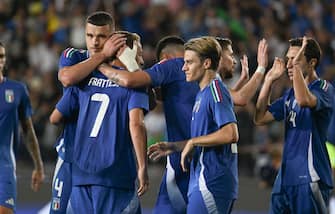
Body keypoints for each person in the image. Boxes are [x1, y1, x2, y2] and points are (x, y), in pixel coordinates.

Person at [99, 35, 268, 213]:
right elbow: (239, 98)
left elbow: (132, 81)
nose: (183, 66)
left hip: (204, 171)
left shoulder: (207, 85)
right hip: (196, 167)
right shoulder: (204, 90)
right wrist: (261, 71)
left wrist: (102, 62)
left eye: (188, 61)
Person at [52, 30, 149, 213]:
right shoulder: (134, 84)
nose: (142, 59)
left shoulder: (83, 79)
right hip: (116, 175)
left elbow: (55, 118)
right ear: (126, 51)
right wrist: (143, 166)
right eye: (139, 52)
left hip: (81, 175)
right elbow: (136, 124)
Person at [148, 36, 239, 213]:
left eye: (188, 62)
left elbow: (230, 133)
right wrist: (175, 146)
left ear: (206, 64)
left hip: (212, 181)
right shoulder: (201, 94)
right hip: (201, 179)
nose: (184, 67)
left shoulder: (216, 90)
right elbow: (203, 138)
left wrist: (192, 142)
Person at [48, 11, 126, 214]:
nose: (95, 41)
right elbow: (66, 77)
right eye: (90, 36)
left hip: (103, 162)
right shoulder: (73, 56)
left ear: (112, 36)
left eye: (101, 36)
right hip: (70, 155)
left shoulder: (121, 69)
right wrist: (102, 55)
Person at [254, 36, 334, 213]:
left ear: (312, 62)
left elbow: (304, 100)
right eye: (289, 59)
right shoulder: (289, 95)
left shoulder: (324, 88)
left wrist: (296, 69)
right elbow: (260, 117)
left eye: (296, 59)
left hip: (310, 176)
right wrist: (268, 81)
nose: (289, 64)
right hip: (285, 177)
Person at [0, 42, 45, 214]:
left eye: (2, 56)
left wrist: (39, 165)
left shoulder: (17, 90)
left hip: (4, 165)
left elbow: (28, 129)